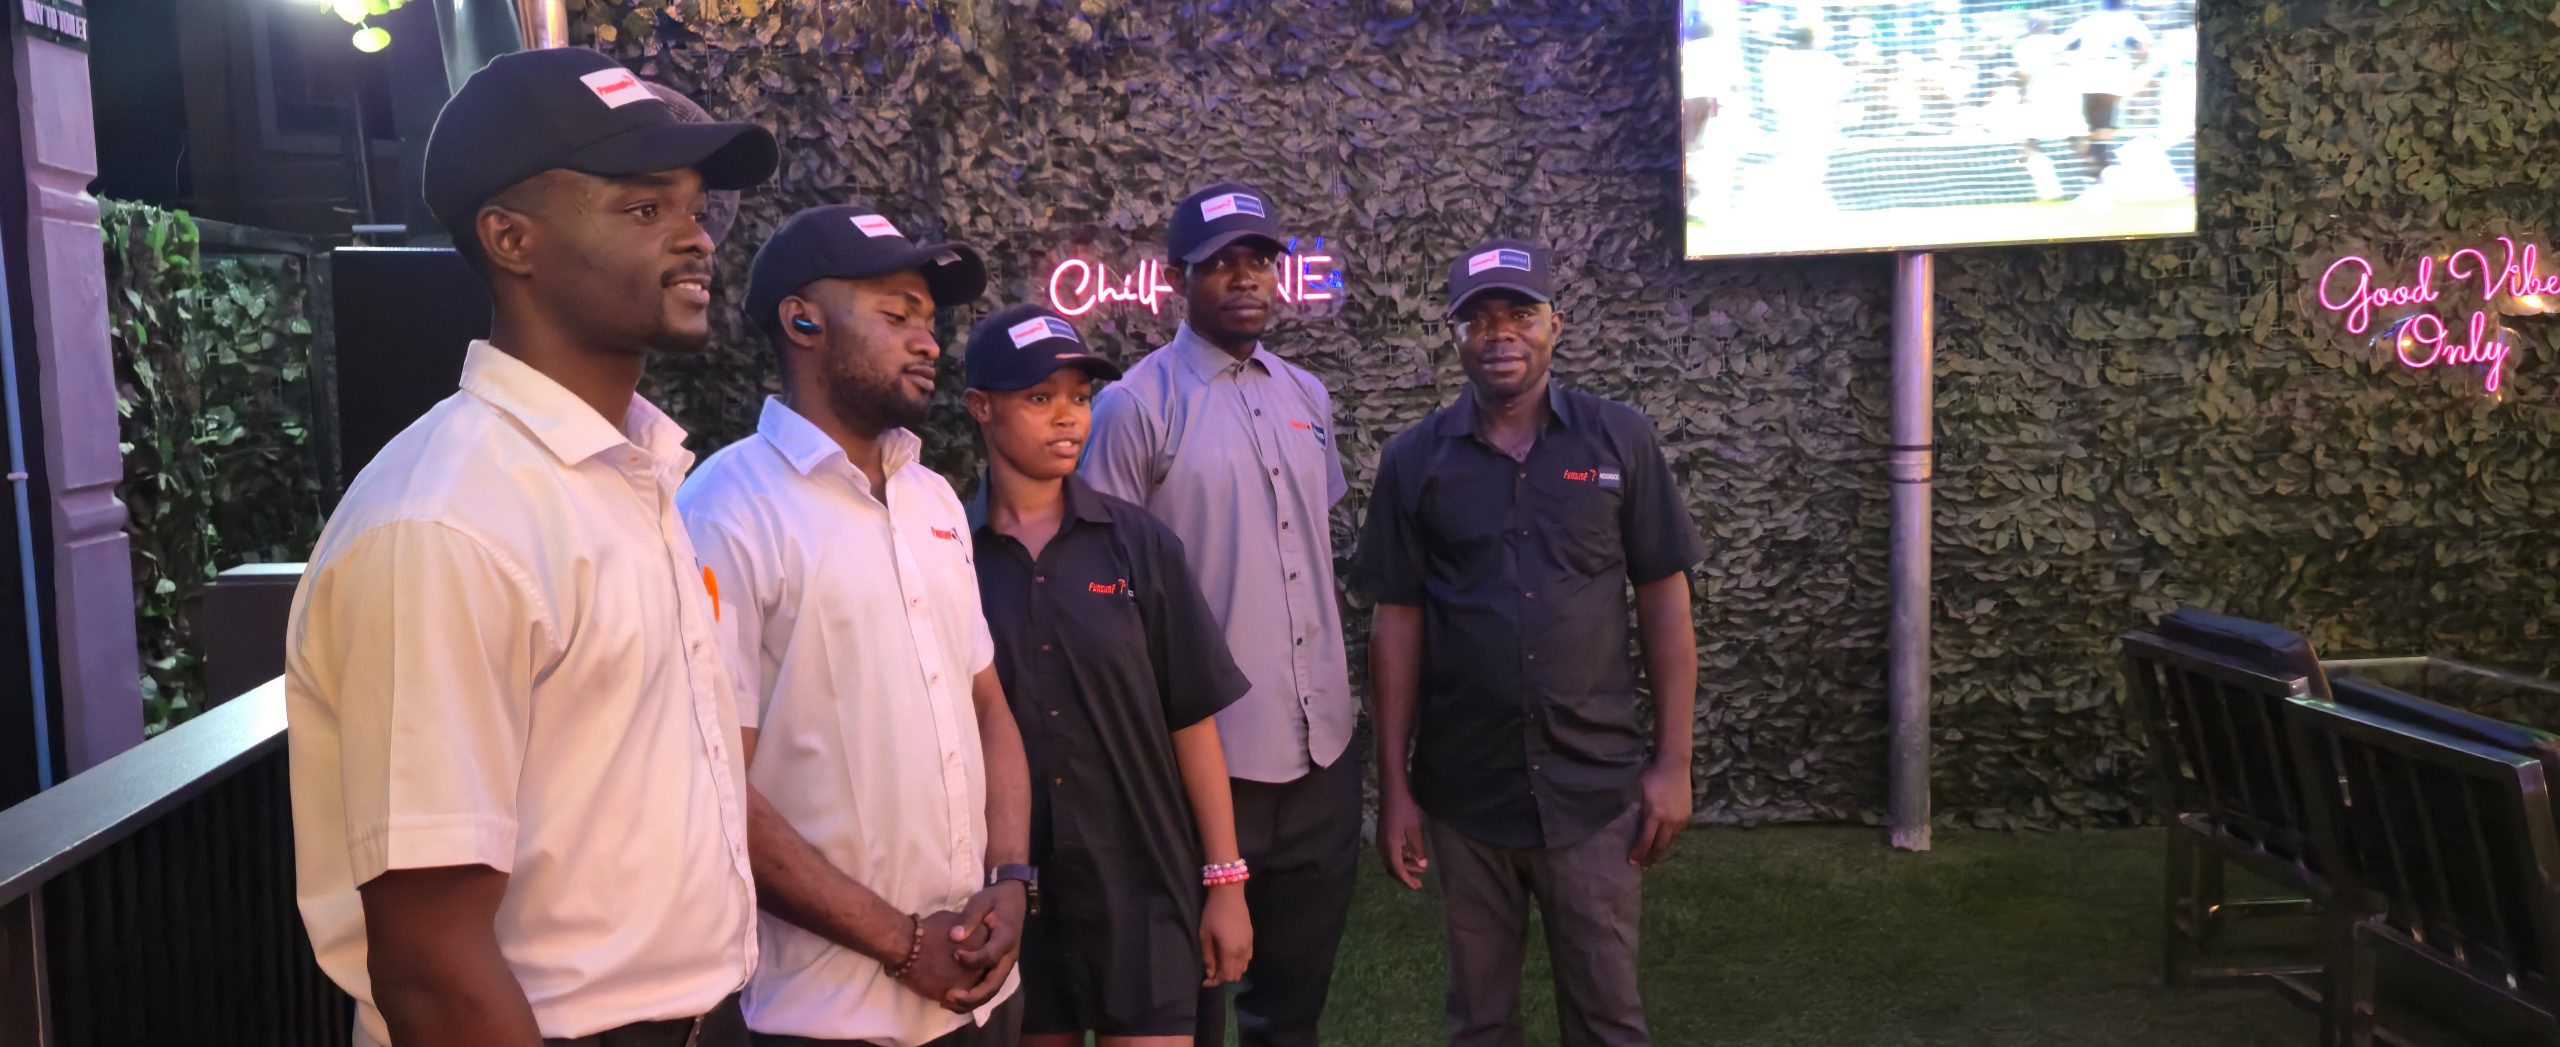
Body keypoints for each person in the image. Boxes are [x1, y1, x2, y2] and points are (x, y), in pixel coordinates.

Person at [284, 47, 776, 1047]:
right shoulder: (447, 524)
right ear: (512, 238)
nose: (696, 238)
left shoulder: (625, 477)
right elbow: (435, 971)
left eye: (695, 208)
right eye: (646, 208)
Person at [677, 204, 1032, 1047]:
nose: (929, 342)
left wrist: (1013, 876)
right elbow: (716, 787)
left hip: (983, 998)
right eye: (898, 315)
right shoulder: (726, 511)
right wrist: (902, 944)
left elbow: (988, 708)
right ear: (802, 320)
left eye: (930, 320)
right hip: (825, 1017)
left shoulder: (932, 498)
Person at [1357, 239, 1704, 1047]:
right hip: (1466, 795)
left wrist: (1675, 763)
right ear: (1454, 335)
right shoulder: (1413, 461)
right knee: (1480, 1022)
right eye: (1477, 318)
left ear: (1557, 323)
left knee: (1609, 1020)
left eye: (1519, 313)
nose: (1499, 332)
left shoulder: (1620, 440)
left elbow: (1663, 599)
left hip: (1594, 791)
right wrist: (1394, 789)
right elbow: (1396, 625)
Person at [1081, 182, 1359, 1047]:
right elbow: (1104, 589)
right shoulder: (1135, 406)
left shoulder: (1308, 395)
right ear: (1178, 279)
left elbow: (1310, 548)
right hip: (1205, 765)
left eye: (1259, 261)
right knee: (1193, 1009)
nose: (1246, 278)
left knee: (1291, 1014)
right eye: (1221, 263)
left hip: (1323, 755)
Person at [960, 302, 1258, 1047]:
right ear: (981, 407)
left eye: (1080, 397)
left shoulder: (1140, 545)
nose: (1068, 417)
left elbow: (1193, 720)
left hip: (1143, 885)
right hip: (1012, 897)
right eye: (1040, 397)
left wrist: (1225, 881)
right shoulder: (946, 553)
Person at [2062, 0, 2153, 178]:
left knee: (2095, 127)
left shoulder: (2087, 22)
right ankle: (2102, 171)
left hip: (2088, 78)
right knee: (2106, 129)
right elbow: (2144, 50)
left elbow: (2064, 48)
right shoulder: (2131, 22)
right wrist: (2135, 66)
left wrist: (2074, 65)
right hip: (2115, 79)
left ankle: (2097, 169)